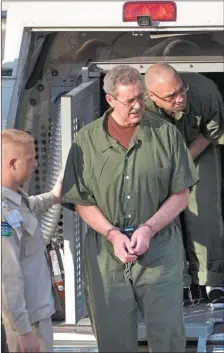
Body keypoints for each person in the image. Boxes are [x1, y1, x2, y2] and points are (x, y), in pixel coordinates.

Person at [61, 64, 198, 352]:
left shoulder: (167, 135)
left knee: (168, 338)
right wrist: (112, 234)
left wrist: (148, 229)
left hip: (159, 252)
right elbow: (80, 200)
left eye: (140, 98)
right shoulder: (85, 141)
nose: (137, 106)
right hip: (106, 255)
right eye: (129, 101)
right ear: (110, 100)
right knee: (113, 341)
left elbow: (181, 195)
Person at [144, 63, 224, 302]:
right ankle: (176, 280)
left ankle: (211, 280)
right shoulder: (138, 107)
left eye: (181, 90)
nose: (179, 99)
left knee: (205, 203)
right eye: (171, 96)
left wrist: (184, 164)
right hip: (156, 156)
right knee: (161, 209)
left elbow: (211, 132)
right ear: (153, 97)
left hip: (196, 145)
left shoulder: (205, 92)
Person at [1, 129, 62, 352]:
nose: (35, 163)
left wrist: (54, 196)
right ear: (12, 163)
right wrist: (23, 331)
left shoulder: (15, 199)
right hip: (27, 324)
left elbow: (29, 208)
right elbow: (8, 278)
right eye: (31, 158)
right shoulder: (3, 212)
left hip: (36, 316)